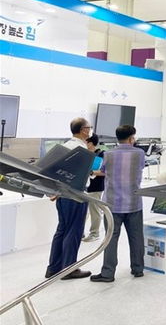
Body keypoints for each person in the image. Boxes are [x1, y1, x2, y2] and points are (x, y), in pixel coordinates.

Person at [90, 125, 146, 282]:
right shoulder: (140, 153)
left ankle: (108, 273)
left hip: (112, 204)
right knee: (136, 237)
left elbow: (103, 171)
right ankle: (138, 269)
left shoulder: (108, 154)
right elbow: (141, 167)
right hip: (134, 202)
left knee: (110, 238)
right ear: (131, 138)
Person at [45, 118, 93, 280]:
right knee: (74, 231)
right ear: (84, 130)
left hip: (63, 194)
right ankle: (69, 268)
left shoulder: (65, 146)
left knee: (62, 230)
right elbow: (80, 175)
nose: (90, 130)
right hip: (75, 195)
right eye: (89, 127)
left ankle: (53, 268)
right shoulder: (81, 149)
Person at [83, 133, 104, 242]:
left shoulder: (102, 155)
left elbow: (105, 171)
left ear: (90, 143)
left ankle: (95, 233)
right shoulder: (86, 155)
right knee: (83, 211)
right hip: (84, 187)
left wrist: (91, 172)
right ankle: (80, 232)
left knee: (94, 210)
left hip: (96, 187)